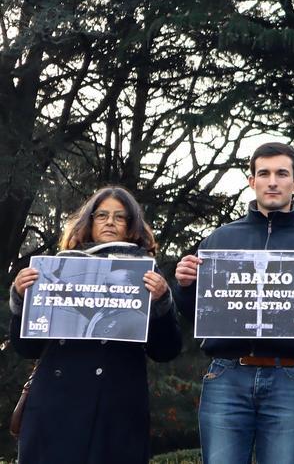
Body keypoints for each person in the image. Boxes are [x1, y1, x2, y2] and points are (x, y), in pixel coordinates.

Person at [175, 142, 294, 464]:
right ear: (251, 180)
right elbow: (195, 314)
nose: (272, 181)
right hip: (226, 373)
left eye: (282, 173)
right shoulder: (220, 240)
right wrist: (185, 286)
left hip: (290, 374)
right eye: (264, 173)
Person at [8, 186, 182, 463]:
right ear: (88, 222)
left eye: (119, 216)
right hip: (55, 406)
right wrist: (20, 299)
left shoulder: (147, 273)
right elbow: (26, 347)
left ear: (132, 225)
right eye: (101, 215)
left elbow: (166, 351)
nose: (110, 222)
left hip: (115, 410)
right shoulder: (56, 267)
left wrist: (162, 302)